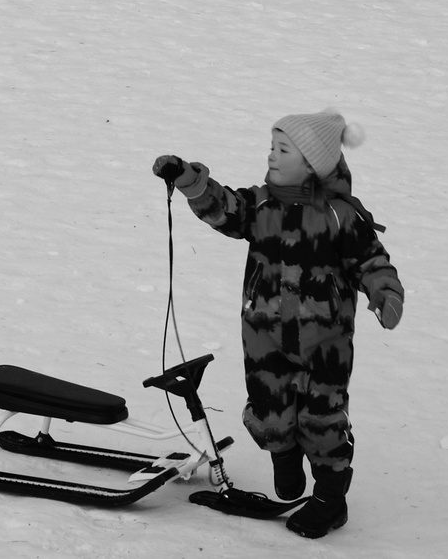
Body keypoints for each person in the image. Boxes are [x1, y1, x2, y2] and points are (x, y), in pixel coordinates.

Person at [152, 113, 404, 539]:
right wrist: (189, 179)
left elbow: (371, 260)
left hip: (325, 342)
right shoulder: (262, 205)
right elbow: (225, 208)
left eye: (283, 149)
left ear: (314, 164)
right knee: (269, 407)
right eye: (272, 146)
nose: (271, 154)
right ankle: (283, 455)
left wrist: (385, 294)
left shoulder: (341, 217)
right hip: (264, 333)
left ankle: (329, 499)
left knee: (321, 419)